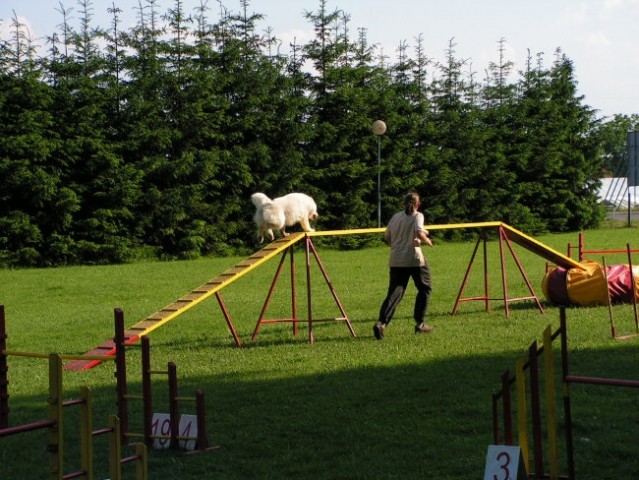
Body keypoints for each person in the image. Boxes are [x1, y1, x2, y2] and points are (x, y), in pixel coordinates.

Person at [374, 192, 434, 340]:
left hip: (396, 260)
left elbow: (387, 237)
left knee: (395, 293)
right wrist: (427, 240)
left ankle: (381, 323)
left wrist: (397, 246)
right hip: (414, 259)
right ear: (418, 204)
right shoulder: (418, 216)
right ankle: (420, 324)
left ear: (403, 203)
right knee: (425, 288)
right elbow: (419, 232)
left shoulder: (395, 217)